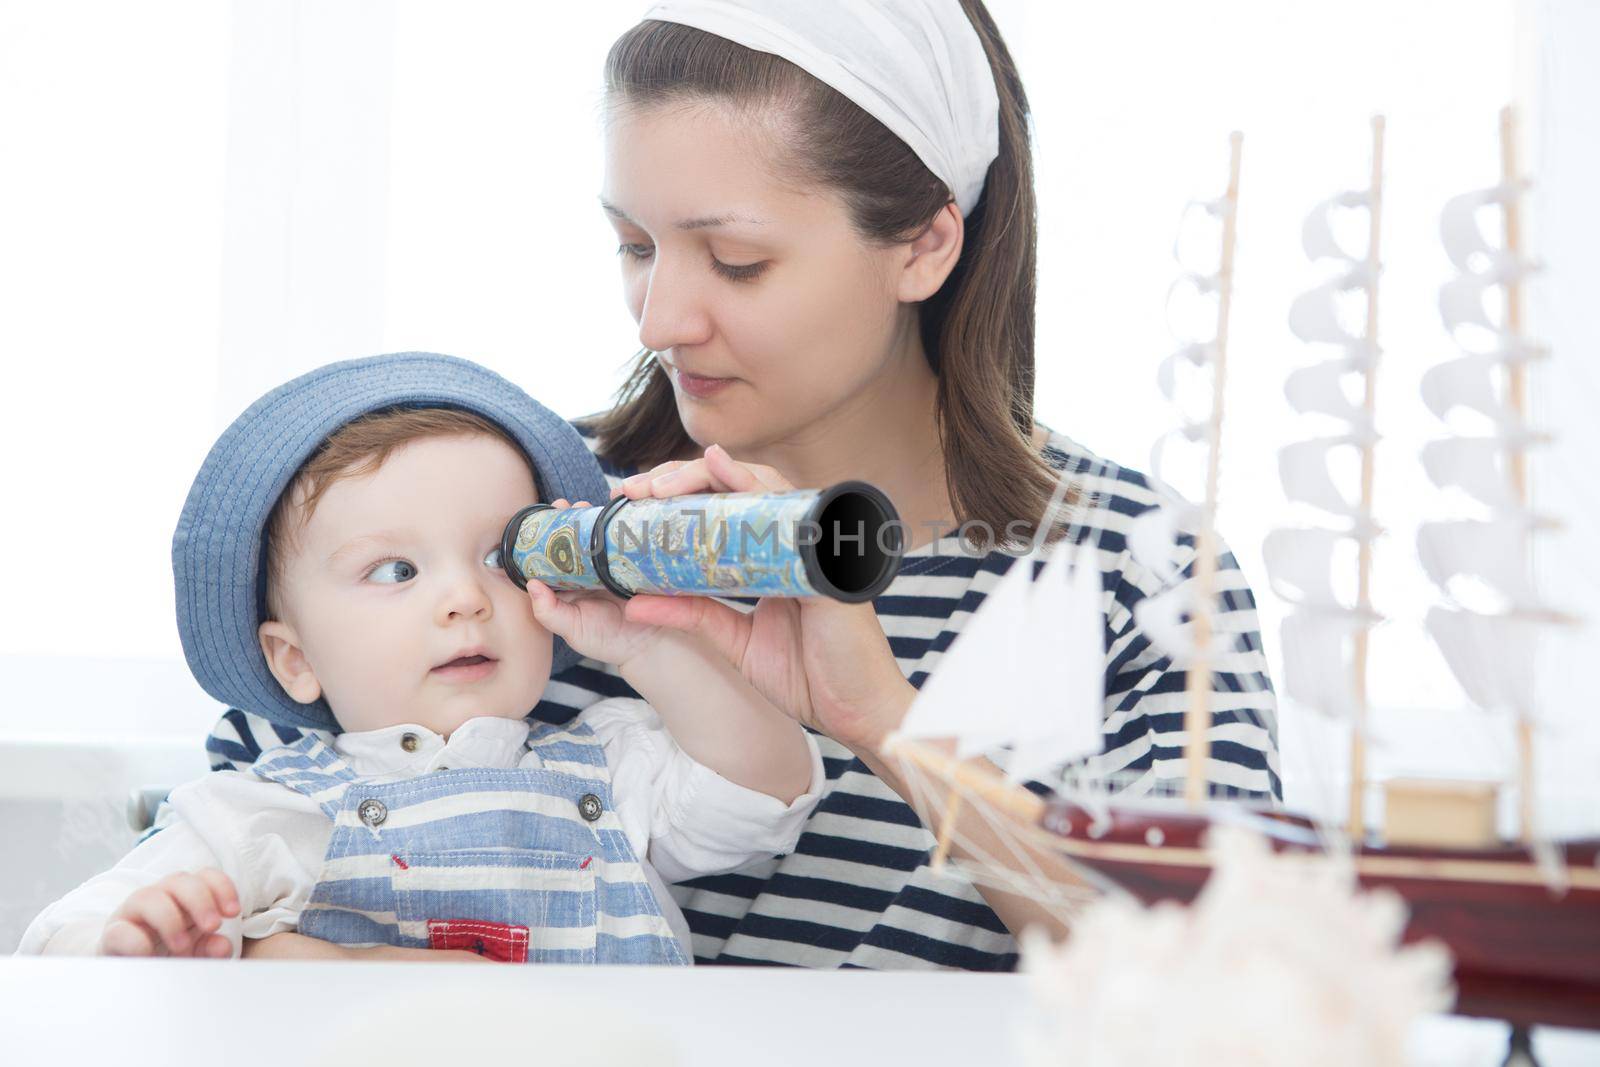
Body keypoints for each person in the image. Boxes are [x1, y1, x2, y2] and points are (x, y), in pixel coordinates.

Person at [201, 0, 1280, 969]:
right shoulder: (507, 521)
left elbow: (1228, 975)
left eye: (736, 262)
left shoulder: (1136, 570)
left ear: (922, 243)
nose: (659, 319)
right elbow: (203, 891)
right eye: (632, 245)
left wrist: (887, 725)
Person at [18, 353, 823, 962]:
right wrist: (148, 945)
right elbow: (53, 941)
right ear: (294, 659)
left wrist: (651, 639)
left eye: (500, 558)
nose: (465, 598)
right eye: (396, 570)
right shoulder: (263, 814)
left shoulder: (614, 766)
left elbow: (766, 790)